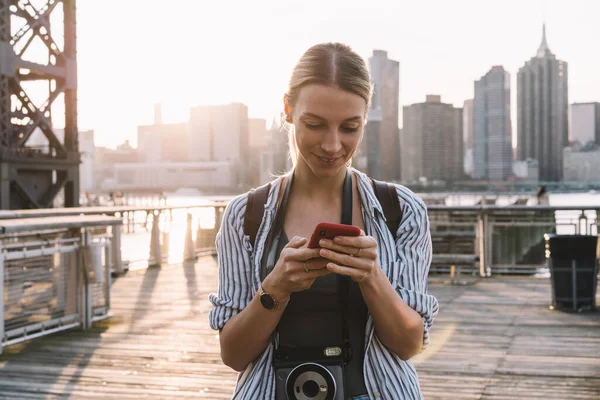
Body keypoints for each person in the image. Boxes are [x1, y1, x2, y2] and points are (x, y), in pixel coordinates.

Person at [209, 42, 439, 400]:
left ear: (366, 118)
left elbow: (410, 344)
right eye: (315, 125)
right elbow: (233, 354)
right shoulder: (245, 216)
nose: (332, 145)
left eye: (349, 127)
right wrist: (276, 289)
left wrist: (372, 277)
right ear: (287, 109)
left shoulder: (402, 210)